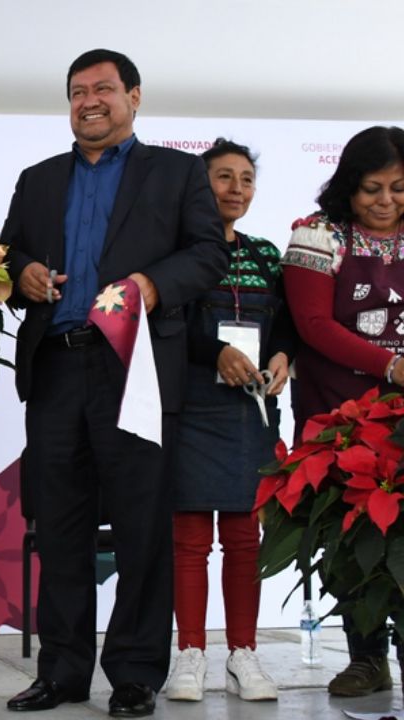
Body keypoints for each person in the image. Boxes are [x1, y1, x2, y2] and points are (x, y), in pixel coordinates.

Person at [0, 49, 228, 718]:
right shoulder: (38, 179)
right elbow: (8, 254)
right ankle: (62, 672)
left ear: (133, 97)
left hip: (138, 371)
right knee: (61, 527)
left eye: (103, 89)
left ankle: (133, 674)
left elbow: (209, 252)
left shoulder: (178, 172)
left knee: (141, 526)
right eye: (77, 91)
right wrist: (23, 275)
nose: (89, 100)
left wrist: (155, 286)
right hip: (58, 367)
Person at [165, 139, 292, 703]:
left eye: (245, 178)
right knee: (190, 538)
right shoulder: (175, 251)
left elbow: (286, 324)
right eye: (223, 177)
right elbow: (167, 323)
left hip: (252, 409)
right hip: (191, 405)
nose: (236, 188)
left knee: (244, 538)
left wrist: (285, 355)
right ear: (199, 185)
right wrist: (212, 351)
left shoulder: (266, 254)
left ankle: (244, 654)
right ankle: (189, 653)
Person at [281, 125, 404, 698]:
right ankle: (365, 657)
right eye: (372, 189)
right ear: (348, 189)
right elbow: (313, 326)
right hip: (340, 415)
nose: (386, 201)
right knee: (349, 534)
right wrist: (391, 367)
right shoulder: (319, 235)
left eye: (400, 188)